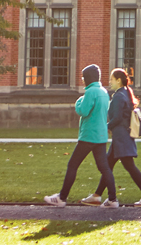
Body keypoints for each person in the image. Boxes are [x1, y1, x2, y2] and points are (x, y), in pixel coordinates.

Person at [43, 64, 117, 208]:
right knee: (104, 168)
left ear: (88, 78)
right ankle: (113, 199)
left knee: (72, 165)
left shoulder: (90, 92)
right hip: (101, 136)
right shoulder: (103, 91)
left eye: (83, 77)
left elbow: (83, 111)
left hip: (88, 136)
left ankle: (61, 198)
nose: (82, 80)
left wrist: (78, 102)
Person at [92, 68, 141, 208]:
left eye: (111, 79)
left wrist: (106, 126)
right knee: (108, 166)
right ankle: (98, 196)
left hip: (121, 138)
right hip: (121, 138)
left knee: (129, 166)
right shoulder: (125, 93)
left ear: (118, 80)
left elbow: (117, 118)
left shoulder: (118, 96)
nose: (109, 82)